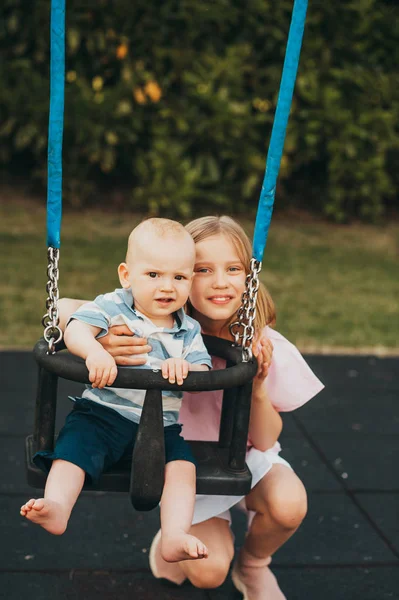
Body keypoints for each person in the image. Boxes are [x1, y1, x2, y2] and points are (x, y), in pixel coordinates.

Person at [49, 216, 324, 599]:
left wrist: (258, 389)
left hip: (239, 456)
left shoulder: (259, 342)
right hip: (181, 457)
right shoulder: (154, 323)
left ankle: (254, 567)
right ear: (179, 274)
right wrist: (103, 342)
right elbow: (61, 308)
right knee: (209, 573)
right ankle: (174, 535)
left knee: (289, 503)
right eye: (202, 270)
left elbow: (264, 440)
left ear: (250, 276)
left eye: (233, 269)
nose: (220, 282)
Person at [20, 218, 213, 564]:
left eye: (179, 277)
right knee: (73, 451)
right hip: (103, 415)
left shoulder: (189, 330)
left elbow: (203, 369)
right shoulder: (114, 306)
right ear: (127, 275)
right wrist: (94, 351)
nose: (166, 286)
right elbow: (77, 327)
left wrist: (186, 368)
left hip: (161, 428)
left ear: (189, 280)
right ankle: (58, 506)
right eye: (153, 275)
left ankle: (173, 534)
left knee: (184, 469)